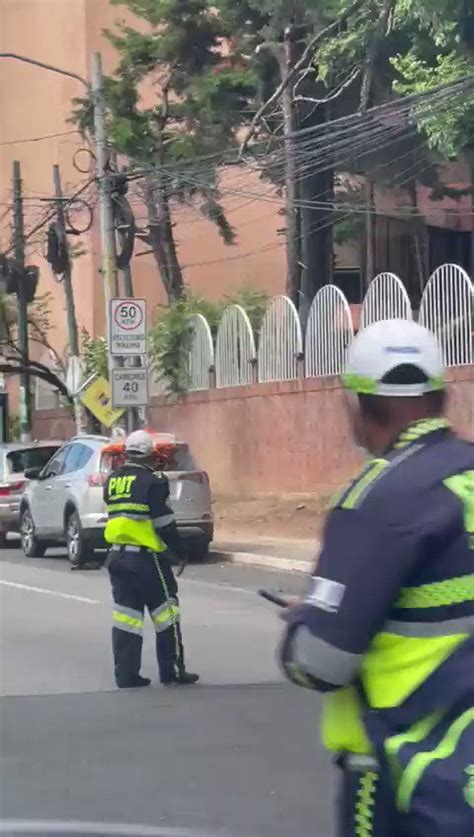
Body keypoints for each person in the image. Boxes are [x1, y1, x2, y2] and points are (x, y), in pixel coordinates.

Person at [279, 319, 474, 837]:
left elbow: (321, 664)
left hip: (403, 786)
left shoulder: (375, 501)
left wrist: (304, 625)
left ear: (357, 403)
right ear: (441, 396)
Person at [104, 429, 199, 689]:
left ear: (126, 453)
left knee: (127, 619)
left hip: (117, 557)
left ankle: (126, 675)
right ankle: (172, 671)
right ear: (149, 454)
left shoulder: (112, 480)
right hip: (147, 559)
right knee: (167, 613)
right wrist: (180, 550)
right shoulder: (152, 482)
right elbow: (163, 523)